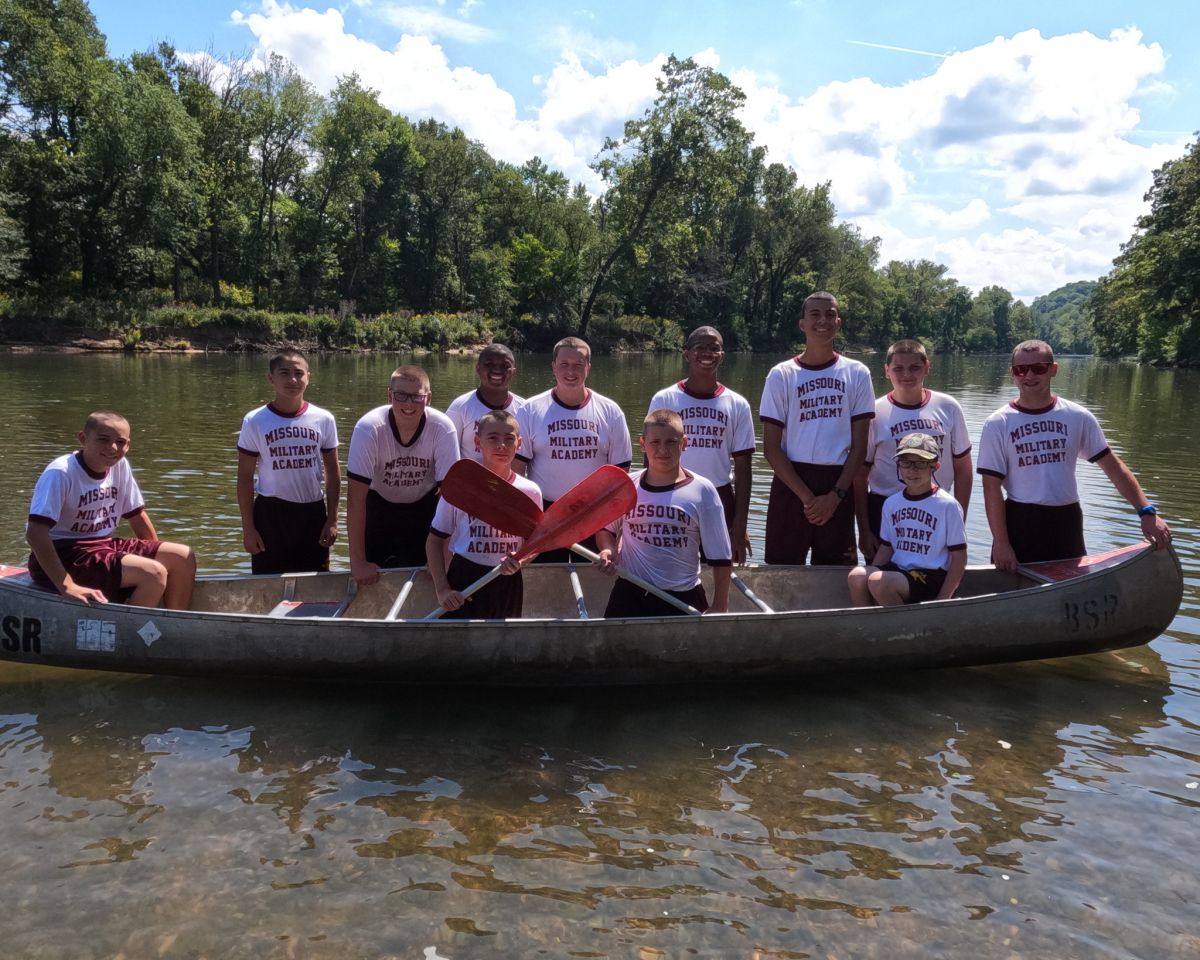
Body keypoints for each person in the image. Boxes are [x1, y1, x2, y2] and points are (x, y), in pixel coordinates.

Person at [978, 340, 1171, 571]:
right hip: (1020, 521)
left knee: (1071, 589)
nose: (1029, 375)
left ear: (1053, 369)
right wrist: (1001, 541)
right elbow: (991, 488)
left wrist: (1146, 511)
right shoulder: (998, 423)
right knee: (1014, 596)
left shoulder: (1077, 416)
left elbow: (1113, 467)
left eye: (1038, 368)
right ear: (1013, 374)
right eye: (1021, 369)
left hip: (1066, 520)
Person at [25, 411, 196, 609]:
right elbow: (35, 533)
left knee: (183, 556)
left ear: (128, 445)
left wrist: (152, 556)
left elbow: (137, 515)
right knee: (153, 574)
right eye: (103, 440)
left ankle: (173, 625)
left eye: (121, 442)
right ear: (83, 439)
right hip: (65, 553)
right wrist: (67, 585)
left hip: (102, 545)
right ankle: (131, 636)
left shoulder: (120, 465)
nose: (113, 448)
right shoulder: (61, 473)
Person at [759, 291, 874, 565]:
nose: (822, 320)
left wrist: (835, 497)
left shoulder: (857, 373)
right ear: (802, 324)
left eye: (830, 314)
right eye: (815, 314)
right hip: (792, 483)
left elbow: (860, 446)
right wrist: (808, 499)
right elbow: (772, 448)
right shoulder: (782, 374)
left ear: (839, 322)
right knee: (781, 574)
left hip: (838, 483)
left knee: (837, 578)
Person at [594, 409, 731, 617]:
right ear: (642, 444)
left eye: (671, 442)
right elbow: (606, 529)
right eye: (655, 442)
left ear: (684, 443)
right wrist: (608, 550)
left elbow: (721, 556)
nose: (663, 450)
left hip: (683, 596)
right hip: (630, 591)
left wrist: (720, 604)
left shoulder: (703, 490)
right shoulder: (626, 486)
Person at [516, 336, 632, 561]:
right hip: (545, 516)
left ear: (588, 368)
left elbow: (621, 477)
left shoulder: (611, 411)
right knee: (547, 582)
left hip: (594, 515)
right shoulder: (530, 410)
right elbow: (517, 473)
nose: (571, 371)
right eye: (564, 365)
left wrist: (611, 532)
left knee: (594, 584)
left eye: (578, 365)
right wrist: (523, 526)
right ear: (553, 367)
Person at [856, 339, 972, 562]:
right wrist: (864, 530)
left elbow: (964, 470)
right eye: (898, 368)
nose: (906, 374)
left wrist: (960, 521)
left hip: (936, 506)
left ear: (927, 368)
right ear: (887, 371)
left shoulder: (948, 407)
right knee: (881, 582)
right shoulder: (874, 413)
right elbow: (860, 476)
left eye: (914, 368)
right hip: (885, 507)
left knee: (933, 579)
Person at [648, 325, 756, 563]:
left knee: (719, 568)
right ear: (686, 354)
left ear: (722, 355)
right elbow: (650, 460)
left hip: (718, 498)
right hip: (672, 495)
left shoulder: (737, 404)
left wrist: (739, 526)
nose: (707, 353)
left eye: (714, 348)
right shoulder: (665, 398)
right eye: (700, 347)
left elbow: (744, 471)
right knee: (669, 566)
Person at [346, 365, 460, 584]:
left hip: (424, 508)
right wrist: (357, 562)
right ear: (390, 395)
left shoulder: (443, 428)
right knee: (372, 577)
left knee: (429, 577)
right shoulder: (368, 428)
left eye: (416, 397)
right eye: (401, 396)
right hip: (379, 506)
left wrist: (445, 553)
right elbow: (355, 499)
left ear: (428, 398)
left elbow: (451, 497)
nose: (408, 404)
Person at [425, 410, 541, 618]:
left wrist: (520, 561)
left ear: (520, 443)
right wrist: (442, 589)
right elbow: (434, 540)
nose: (501, 445)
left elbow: (536, 543)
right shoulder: (460, 486)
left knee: (503, 646)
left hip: (508, 579)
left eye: (509, 439)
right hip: (465, 576)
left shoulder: (530, 491)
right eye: (493, 438)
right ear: (478, 442)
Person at [236, 348, 341, 574]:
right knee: (268, 584)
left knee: (316, 584)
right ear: (271, 378)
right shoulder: (255, 420)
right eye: (284, 373)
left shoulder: (323, 419)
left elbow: (333, 472)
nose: (292, 379)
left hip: (312, 513)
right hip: (270, 515)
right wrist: (248, 528)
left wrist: (332, 519)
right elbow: (244, 477)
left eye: (299, 373)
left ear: (308, 377)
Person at [848, 432, 967, 606]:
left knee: (879, 582)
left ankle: (904, 629)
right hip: (899, 571)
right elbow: (886, 549)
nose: (912, 470)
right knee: (857, 576)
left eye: (920, 463)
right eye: (906, 463)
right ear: (898, 465)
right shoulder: (891, 503)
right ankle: (868, 628)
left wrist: (943, 600)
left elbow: (959, 557)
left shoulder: (947, 505)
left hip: (930, 576)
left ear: (935, 466)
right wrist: (872, 573)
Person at [445, 343, 524, 461]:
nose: (497, 370)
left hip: (510, 478)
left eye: (505, 365)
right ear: (478, 369)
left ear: (513, 372)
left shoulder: (525, 409)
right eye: (489, 364)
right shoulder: (459, 407)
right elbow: (446, 454)